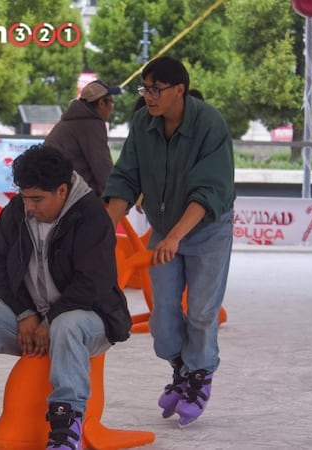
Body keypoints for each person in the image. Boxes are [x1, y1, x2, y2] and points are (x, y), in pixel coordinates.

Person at [0, 145, 131, 450]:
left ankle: (65, 429)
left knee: (68, 325)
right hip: (33, 317)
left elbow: (93, 283)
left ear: (62, 190)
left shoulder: (91, 216)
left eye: (37, 199)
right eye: (25, 197)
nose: (30, 207)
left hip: (91, 319)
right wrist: (25, 313)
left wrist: (48, 321)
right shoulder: (17, 211)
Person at [104, 56, 235, 427]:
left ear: (179, 90)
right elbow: (125, 177)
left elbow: (210, 189)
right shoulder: (144, 123)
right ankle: (180, 368)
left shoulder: (210, 123)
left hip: (207, 228)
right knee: (163, 313)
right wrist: (103, 231)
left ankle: (199, 376)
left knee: (202, 310)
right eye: (145, 88)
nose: (148, 96)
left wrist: (177, 235)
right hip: (166, 229)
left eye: (155, 89)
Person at [44, 79, 120, 197]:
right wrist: (114, 196)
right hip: (72, 195)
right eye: (111, 102)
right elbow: (102, 166)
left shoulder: (71, 121)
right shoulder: (91, 123)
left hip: (54, 190)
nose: (111, 108)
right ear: (101, 103)